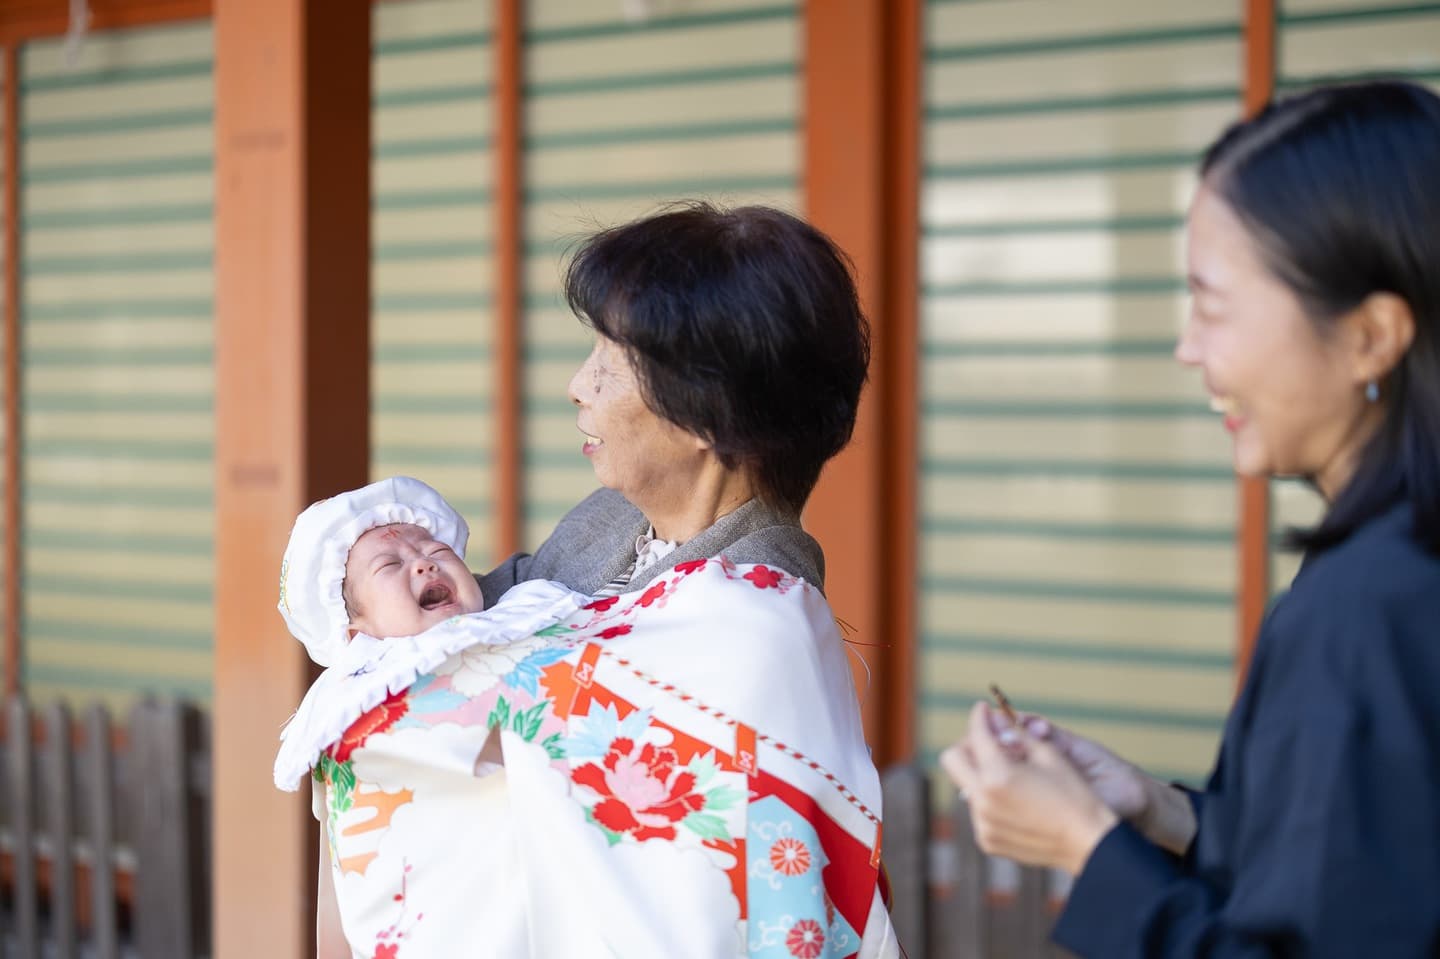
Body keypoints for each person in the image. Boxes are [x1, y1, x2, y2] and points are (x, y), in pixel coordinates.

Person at [941, 79, 1440, 956]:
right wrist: (1160, 810)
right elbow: (1367, 876)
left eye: (1212, 305)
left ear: (1371, 335)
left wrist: (1086, 846)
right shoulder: (1396, 565)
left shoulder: (1366, 602)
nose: (1187, 347)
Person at [474, 201, 871, 606]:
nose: (577, 387)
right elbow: (485, 604)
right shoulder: (612, 515)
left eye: (612, 361)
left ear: (709, 413)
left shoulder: (752, 603)